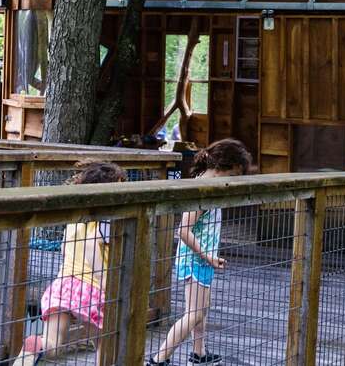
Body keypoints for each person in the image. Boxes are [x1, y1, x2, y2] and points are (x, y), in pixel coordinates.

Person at [148, 139, 253, 366]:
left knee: (201, 309)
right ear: (224, 166)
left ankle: (199, 353)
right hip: (196, 259)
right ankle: (159, 359)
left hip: (202, 259)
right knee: (194, 313)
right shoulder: (203, 191)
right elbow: (183, 230)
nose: (234, 181)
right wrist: (208, 257)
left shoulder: (209, 185)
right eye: (234, 175)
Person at [14, 161, 127, 366]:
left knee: (52, 344)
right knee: (105, 340)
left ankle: (36, 345)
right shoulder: (106, 220)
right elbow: (93, 246)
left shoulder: (75, 218)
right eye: (119, 185)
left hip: (63, 284)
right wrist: (104, 282)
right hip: (90, 287)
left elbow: (66, 248)